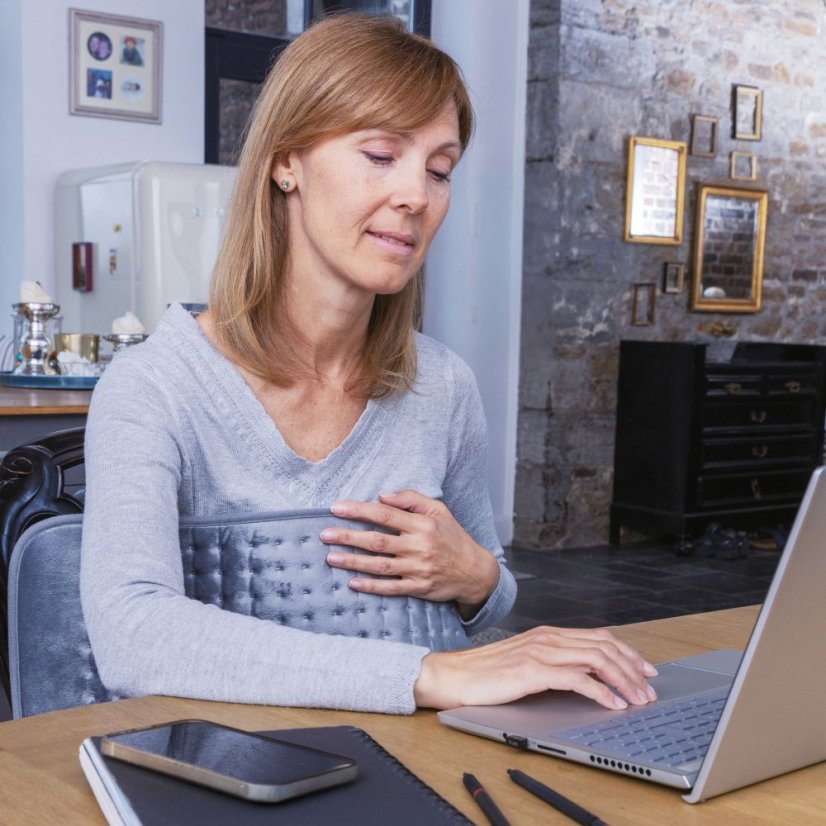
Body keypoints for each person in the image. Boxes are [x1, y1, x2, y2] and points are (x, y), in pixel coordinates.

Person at [81, 14, 657, 716]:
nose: (417, 194)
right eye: (383, 155)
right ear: (285, 162)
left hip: (426, 762)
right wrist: (426, 676)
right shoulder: (153, 388)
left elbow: (488, 595)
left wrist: (477, 576)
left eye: (439, 169)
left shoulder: (441, 387)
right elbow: (132, 634)